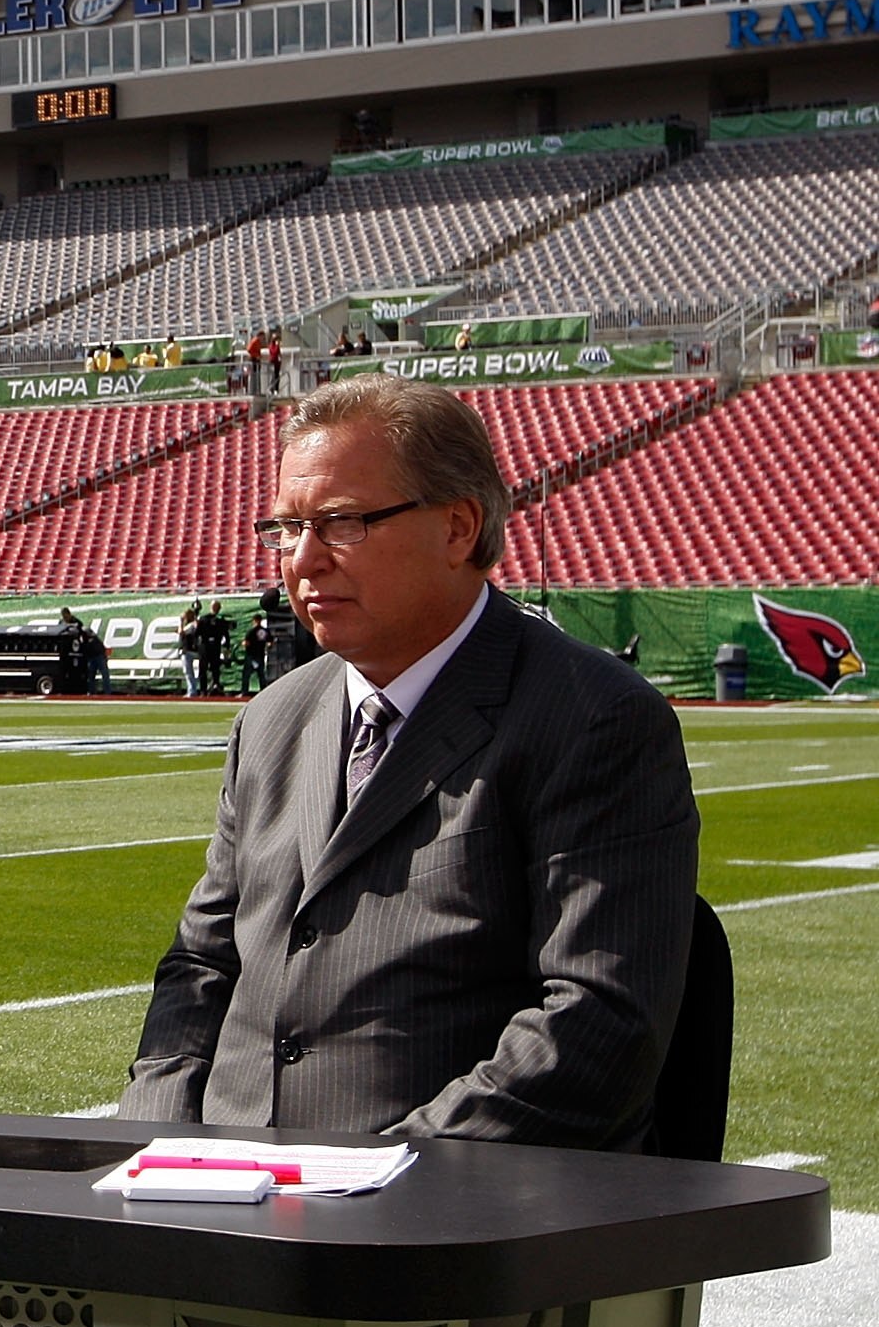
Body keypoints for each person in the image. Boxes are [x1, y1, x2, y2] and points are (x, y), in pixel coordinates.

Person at [121, 376, 700, 1147]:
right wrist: (157, 1143)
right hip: (225, 1209)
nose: (302, 560)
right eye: (286, 528)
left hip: (440, 1225)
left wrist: (379, 1177)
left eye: (341, 523)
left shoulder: (593, 719)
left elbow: (598, 1025)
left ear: (459, 527)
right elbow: (200, 965)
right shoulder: (272, 720)